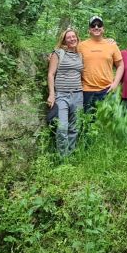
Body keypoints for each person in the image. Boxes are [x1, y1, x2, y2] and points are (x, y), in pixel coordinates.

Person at [46, 28, 84, 157]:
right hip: (61, 95)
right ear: (64, 40)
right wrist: (52, 94)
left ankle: (70, 155)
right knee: (62, 127)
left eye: (74, 37)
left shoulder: (80, 55)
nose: (72, 39)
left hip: (78, 95)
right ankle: (63, 158)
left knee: (75, 127)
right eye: (69, 37)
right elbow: (51, 74)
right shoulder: (58, 53)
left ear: (77, 39)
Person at [78, 15, 124, 113]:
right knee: (88, 123)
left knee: (106, 124)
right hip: (87, 90)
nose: (96, 27)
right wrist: (54, 55)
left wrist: (115, 83)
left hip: (107, 90)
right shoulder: (81, 46)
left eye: (99, 25)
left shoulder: (111, 45)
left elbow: (120, 65)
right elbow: (69, 54)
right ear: (89, 29)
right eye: (93, 25)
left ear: (103, 29)